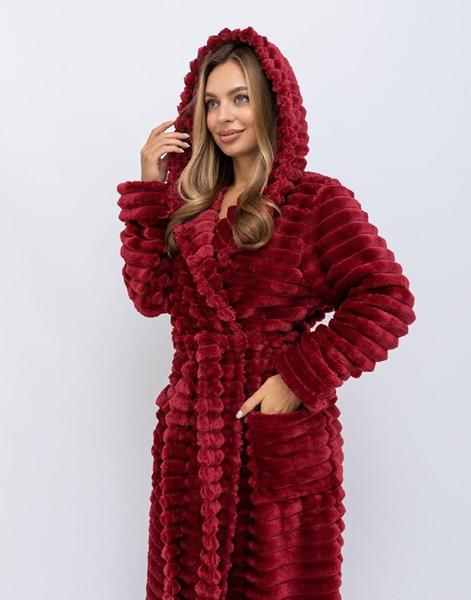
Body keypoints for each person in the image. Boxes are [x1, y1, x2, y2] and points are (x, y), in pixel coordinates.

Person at [116, 26, 416, 600]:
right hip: (192, 436)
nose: (223, 117)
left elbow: (386, 298)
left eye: (240, 98)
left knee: (273, 584)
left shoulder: (315, 201)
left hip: (271, 434)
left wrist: (296, 380)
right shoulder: (192, 204)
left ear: (274, 105)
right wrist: (152, 190)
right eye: (211, 103)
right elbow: (149, 297)